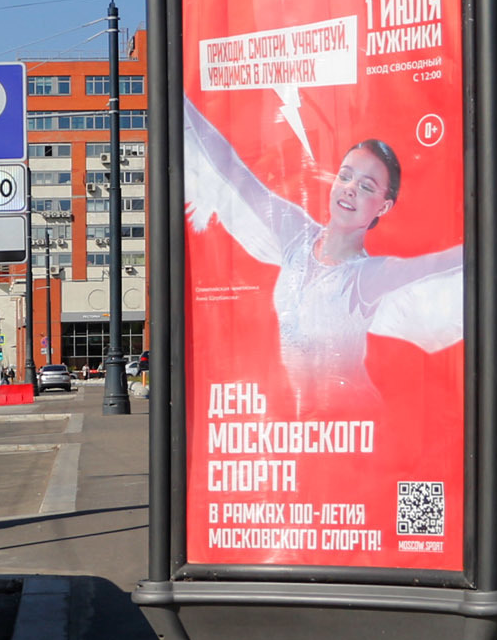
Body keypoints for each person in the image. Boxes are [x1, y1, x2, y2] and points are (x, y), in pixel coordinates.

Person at [184, 94, 460, 413]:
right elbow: (234, 173)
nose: (350, 188)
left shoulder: (368, 275)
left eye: (367, 186)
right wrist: (180, 103)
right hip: (308, 428)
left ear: (383, 206)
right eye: (345, 176)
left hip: (355, 427)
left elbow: (443, 267)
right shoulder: (296, 238)